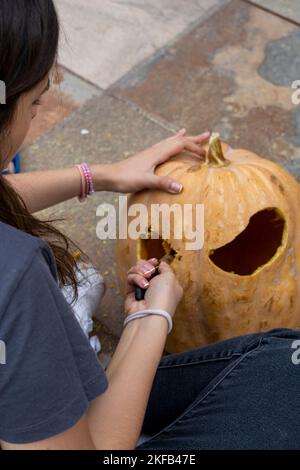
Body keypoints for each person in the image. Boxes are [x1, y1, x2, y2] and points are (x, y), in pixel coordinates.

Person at [0, 0, 299, 451]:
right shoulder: (17, 279)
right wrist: (151, 320)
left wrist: (100, 174)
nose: (39, 111)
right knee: (287, 368)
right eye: (38, 100)